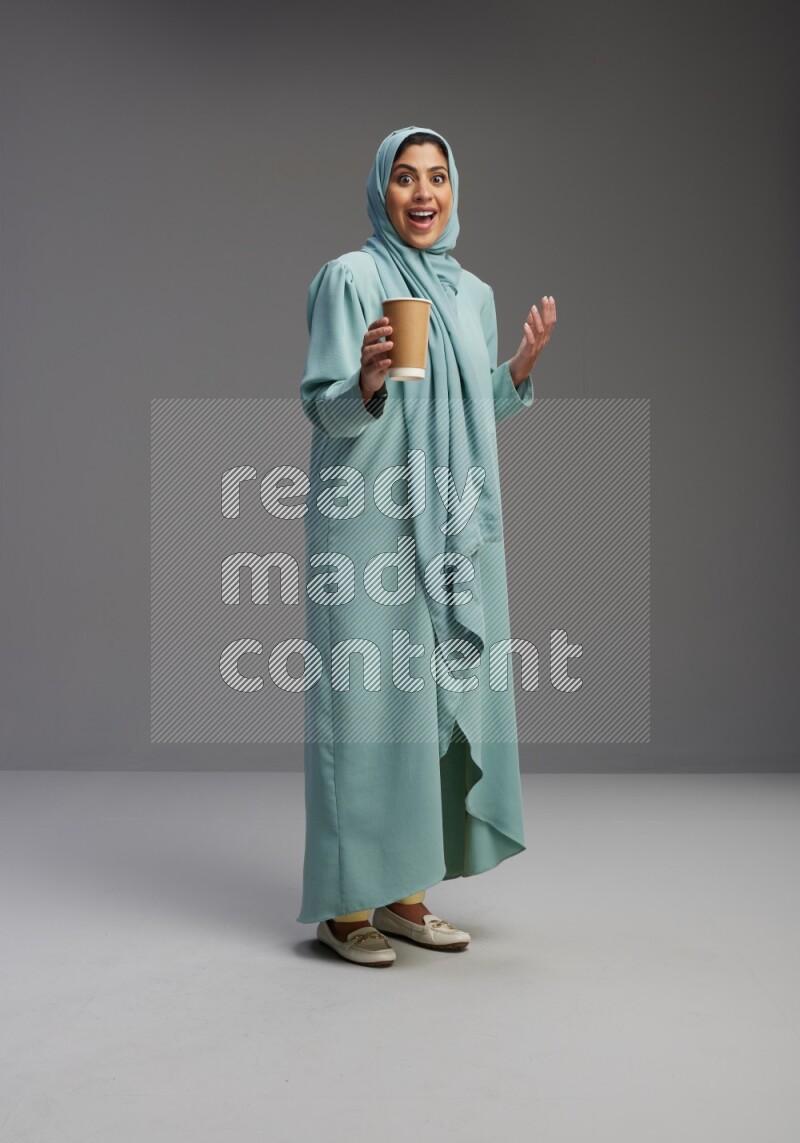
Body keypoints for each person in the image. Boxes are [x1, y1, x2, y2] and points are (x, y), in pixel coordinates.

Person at [296, 125, 556, 967]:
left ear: (453, 190)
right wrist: (364, 381)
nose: (421, 193)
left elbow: (471, 410)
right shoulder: (352, 278)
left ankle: (406, 895)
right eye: (405, 177)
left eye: (436, 177)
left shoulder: (470, 294)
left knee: (430, 705)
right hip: (367, 518)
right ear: (382, 188)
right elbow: (323, 407)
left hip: (449, 523)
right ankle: (346, 907)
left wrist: (516, 369)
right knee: (367, 711)